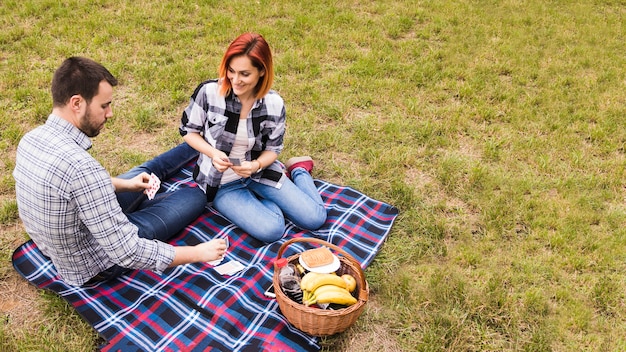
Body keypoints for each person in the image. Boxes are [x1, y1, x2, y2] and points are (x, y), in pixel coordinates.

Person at [13, 57, 227, 287]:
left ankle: (203, 142)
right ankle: (206, 155)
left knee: (147, 172)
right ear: (76, 103)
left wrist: (127, 185)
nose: (110, 113)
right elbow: (128, 253)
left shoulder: (31, 139)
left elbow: (72, 187)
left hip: (67, 236)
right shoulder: (83, 169)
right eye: (104, 105)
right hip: (95, 260)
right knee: (195, 195)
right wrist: (198, 252)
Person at [179, 32, 327, 242]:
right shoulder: (209, 92)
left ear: (261, 72)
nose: (235, 80)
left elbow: (273, 150)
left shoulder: (274, 104)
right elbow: (188, 130)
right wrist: (212, 153)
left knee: (315, 219)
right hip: (221, 183)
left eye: (244, 74)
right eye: (231, 71)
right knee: (272, 231)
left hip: (260, 172)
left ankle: (299, 170)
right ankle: (271, 200)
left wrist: (256, 165)